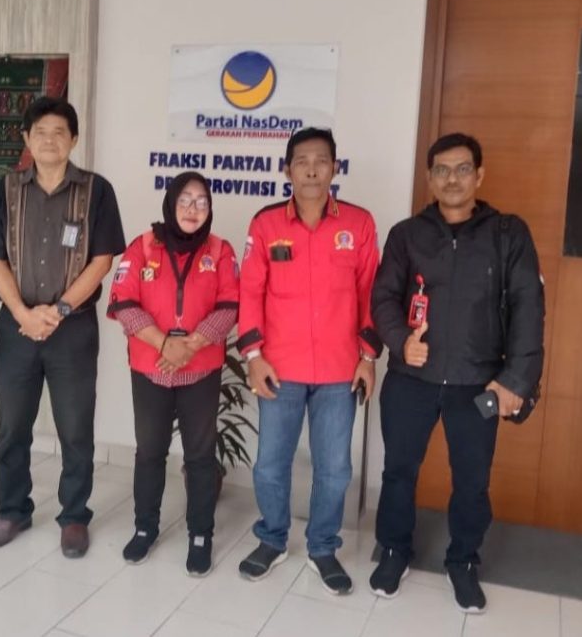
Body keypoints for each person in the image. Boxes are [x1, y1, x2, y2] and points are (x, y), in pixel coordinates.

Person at [369, 132, 544, 613]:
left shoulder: (508, 234)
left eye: (462, 169)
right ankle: (394, 550)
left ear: (479, 176)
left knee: (472, 480)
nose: (452, 179)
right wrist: (400, 341)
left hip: (477, 382)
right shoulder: (406, 235)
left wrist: (516, 380)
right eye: (442, 170)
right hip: (411, 379)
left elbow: (529, 307)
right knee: (398, 471)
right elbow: (383, 298)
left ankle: (463, 560)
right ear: (429, 178)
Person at [0, 97, 126, 557]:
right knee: (12, 427)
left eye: (59, 132)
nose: (49, 140)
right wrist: (22, 313)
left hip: (72, 329)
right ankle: (12, 511)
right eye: (40, 132)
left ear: (74, 139)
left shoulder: (97, 191)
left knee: (75, 429)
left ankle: (74, 516)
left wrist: (57, 310)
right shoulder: (5, 189)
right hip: (16, 328)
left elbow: (102, 260)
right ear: (26, 138)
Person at [235, 127, 381, 595]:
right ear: (287, 170)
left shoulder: (358, 224)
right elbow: (249, 292)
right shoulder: (266, 225)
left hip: (340, 371)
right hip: (278, 368)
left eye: (321, 161)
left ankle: (322, 547)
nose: (312, 170)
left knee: (335, 469)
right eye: (302, 161)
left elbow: (372, 294)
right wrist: (253, 356)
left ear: (334, 168)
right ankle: (272, 539)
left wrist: (368, 356)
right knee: (269, 466)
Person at [107, 172, 239, 577]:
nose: (192, 209)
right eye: (184, 200)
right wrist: (165, 344)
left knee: (200, 456)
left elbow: (231, 305)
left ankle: (200, 534)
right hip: (151, 369)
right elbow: (122, 302)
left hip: (201, 371)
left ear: (210, 208)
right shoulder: (142, 246)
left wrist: (191, 345)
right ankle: (145, 528)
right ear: (170, 203)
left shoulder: (221, 250)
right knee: (150, 452)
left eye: (201, 201)